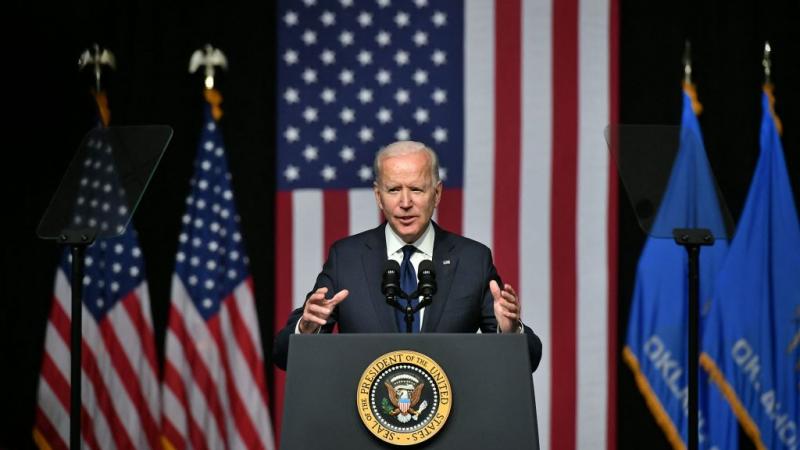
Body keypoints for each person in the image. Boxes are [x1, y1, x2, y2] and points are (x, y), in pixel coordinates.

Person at [273, 141, 542, 371]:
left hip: (452, 423)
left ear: (436, 194)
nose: (404, 203)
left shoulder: (473, 259)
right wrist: (307, 330)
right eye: (393, 190)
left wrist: (509, 333)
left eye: (416, 189)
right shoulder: (347, 258)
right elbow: (284, 354)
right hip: (365, 422)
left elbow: (529, 357)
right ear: (378, 196)